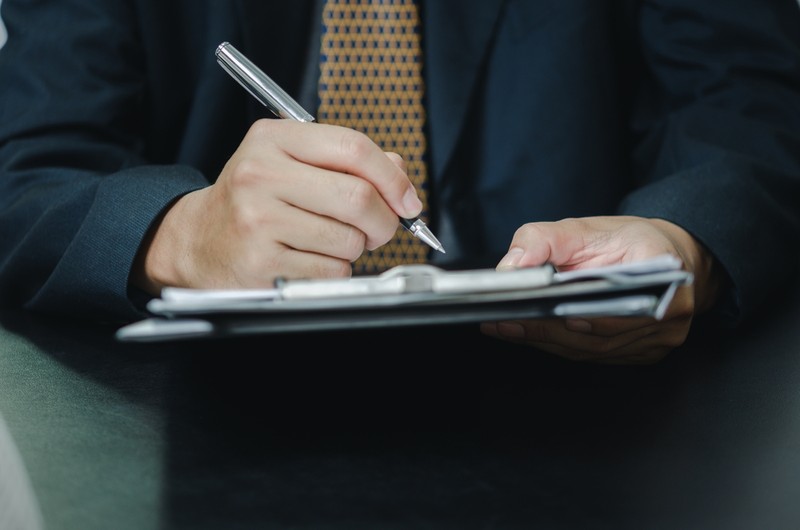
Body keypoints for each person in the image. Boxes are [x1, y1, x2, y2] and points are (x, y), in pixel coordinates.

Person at [1, 1, 799, 364]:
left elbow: (744, 98)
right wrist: (177, 232)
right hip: (192, 424)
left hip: (580, 410)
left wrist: (680, 243)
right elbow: (27, 168)